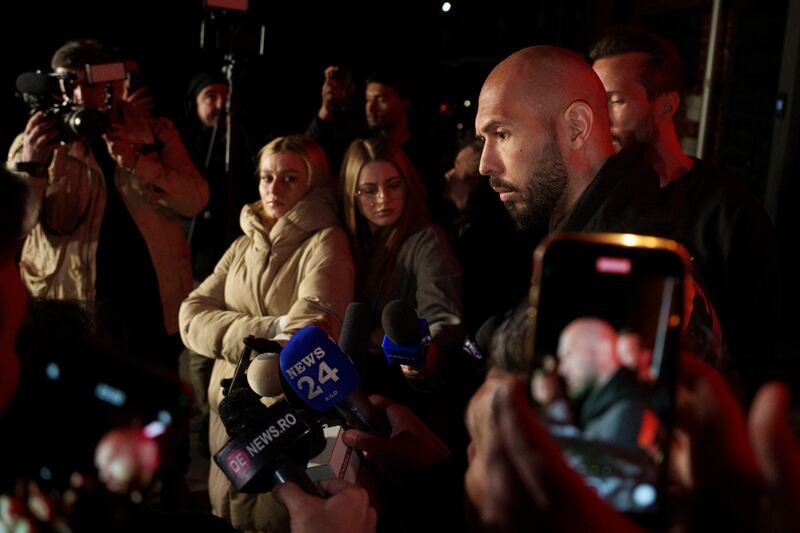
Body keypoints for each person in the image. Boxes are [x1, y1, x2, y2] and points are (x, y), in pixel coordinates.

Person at [589, 26, 782, 401]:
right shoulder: (598, 201)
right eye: (596, 103)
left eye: (615, 100)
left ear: (666, 105)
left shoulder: (729, 210)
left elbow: (761, 347)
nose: (602, 118)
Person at [179, 135, 354, 532]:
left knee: (274, 518)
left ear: (313, 184)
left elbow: (307, 334)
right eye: (266, 177)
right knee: (225, 515)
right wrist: (267, 327)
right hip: (227, 418)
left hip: (282, 421)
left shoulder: (327, 242)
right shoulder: (244, 243)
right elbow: (190, 316)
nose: (273, 188)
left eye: (289, 178)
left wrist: (235, 330)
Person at [8, 38, 208, 372]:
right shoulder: (33, 143)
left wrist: (138, 162)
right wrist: (32, 167)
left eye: (90, 83)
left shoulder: (154, 133)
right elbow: (11, 229)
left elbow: (195, 201)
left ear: (114, 83)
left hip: (151, 308)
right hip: (75, 310)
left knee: (155, 403)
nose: (79, 95)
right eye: (68, 84)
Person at [339, 135, 463, 398]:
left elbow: (443, 318)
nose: (383, 198)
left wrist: (421, 353)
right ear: (352, 194)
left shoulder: (426, 239)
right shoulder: (342, 238)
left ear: (408, 185)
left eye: (394, 185)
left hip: (398, 396)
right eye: (369, 190)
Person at [308, 68, 446, 219]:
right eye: (368, 99)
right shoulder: (360, 148)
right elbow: (306, 155)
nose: (371, 108)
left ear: (405, 103)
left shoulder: (425, 155)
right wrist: (326, 110)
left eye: (381, 99)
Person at [440, 139, 535, 335]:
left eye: (457, 167)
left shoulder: (489, 237)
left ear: (474, 179)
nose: (448, 175)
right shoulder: (453, 222)